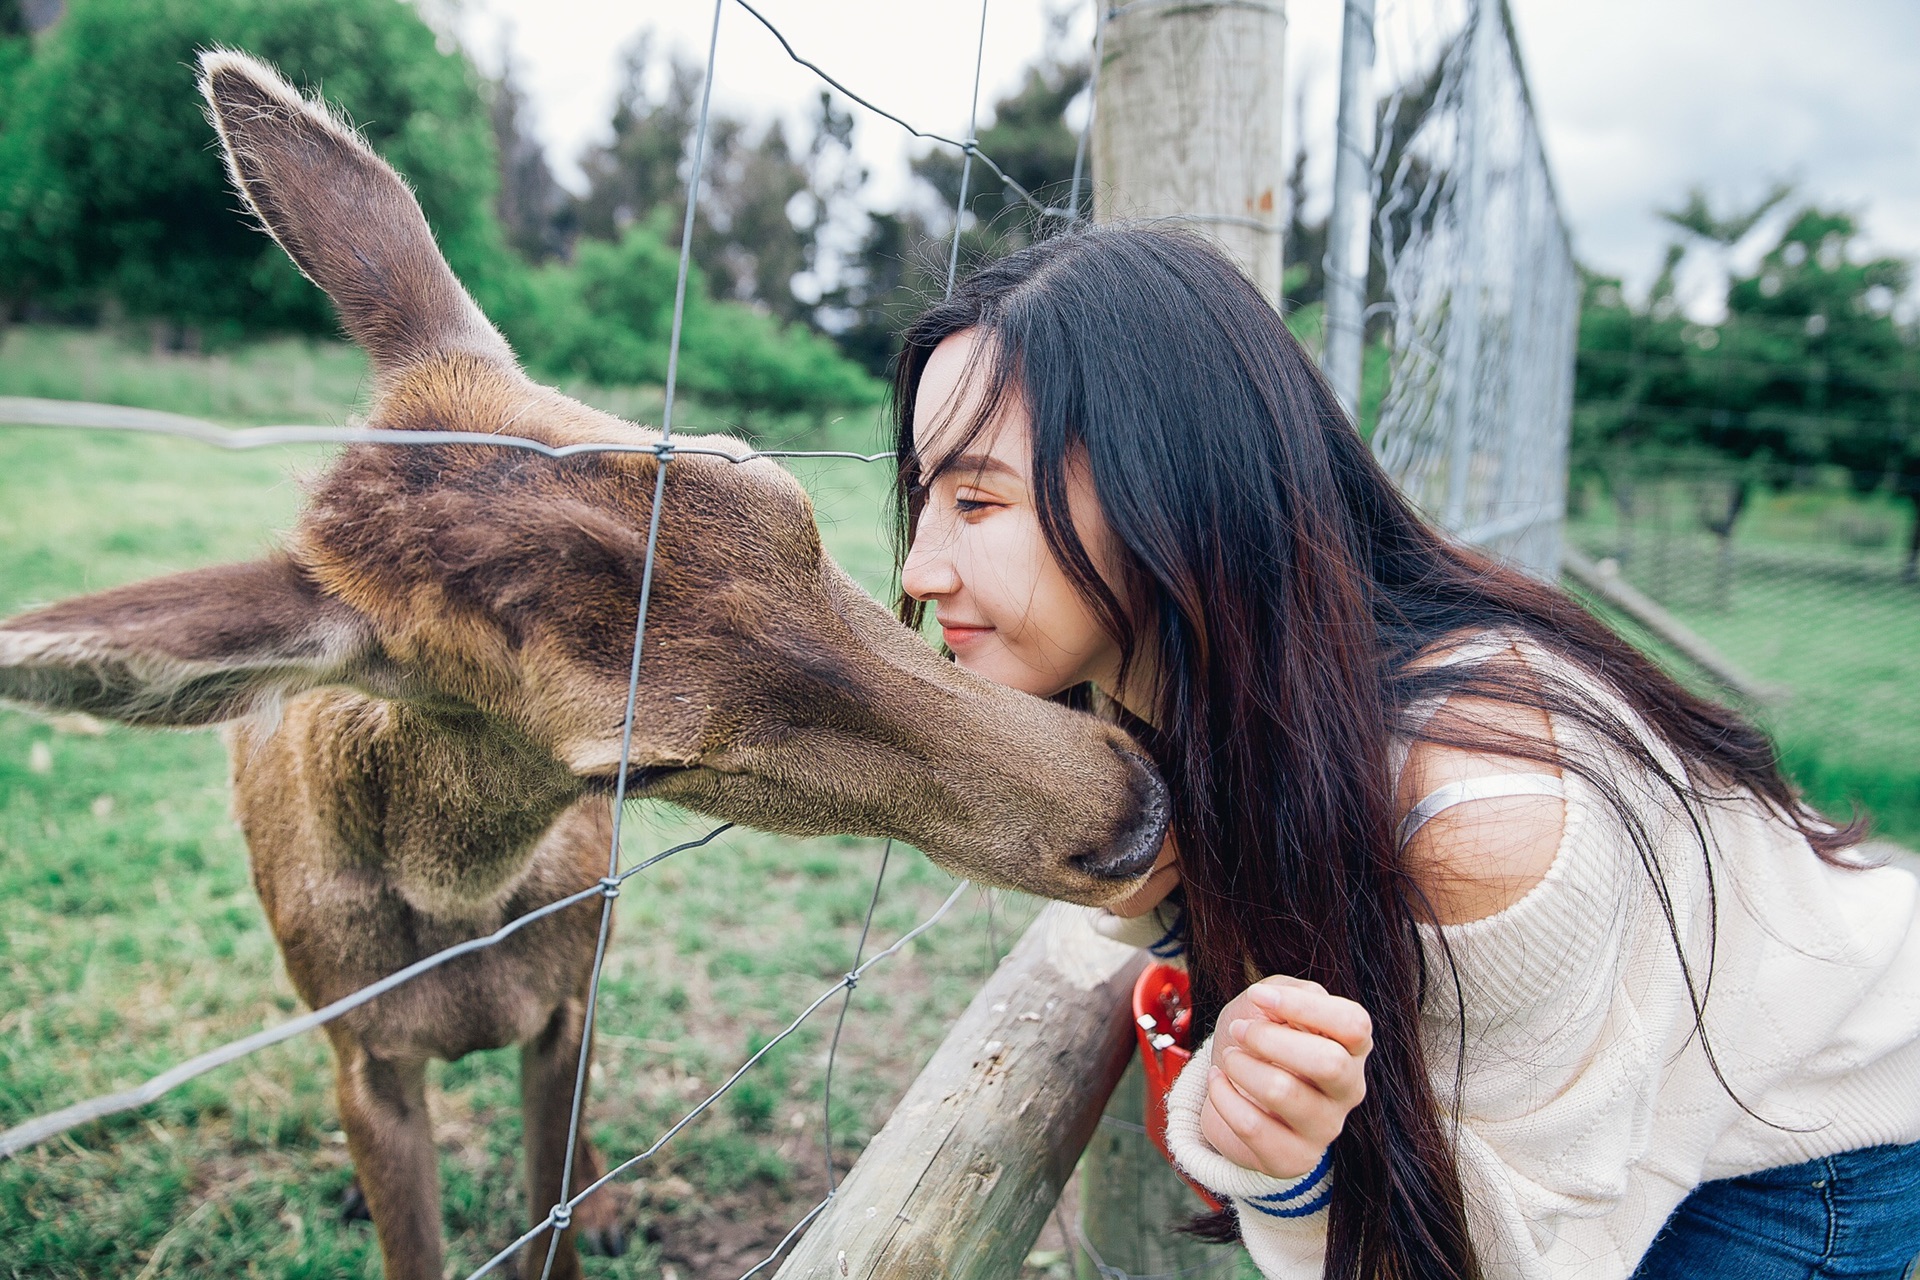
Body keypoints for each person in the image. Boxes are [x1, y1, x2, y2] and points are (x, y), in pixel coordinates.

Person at [890, 224, 1920, 1280]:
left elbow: (1482, 1259)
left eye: (979, 499)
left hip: (1802, 1123)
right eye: (927, 493)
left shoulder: (1479, 820)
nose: (920, 567)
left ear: (1174, 485)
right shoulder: (1214, 684)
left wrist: (1286, 1169)